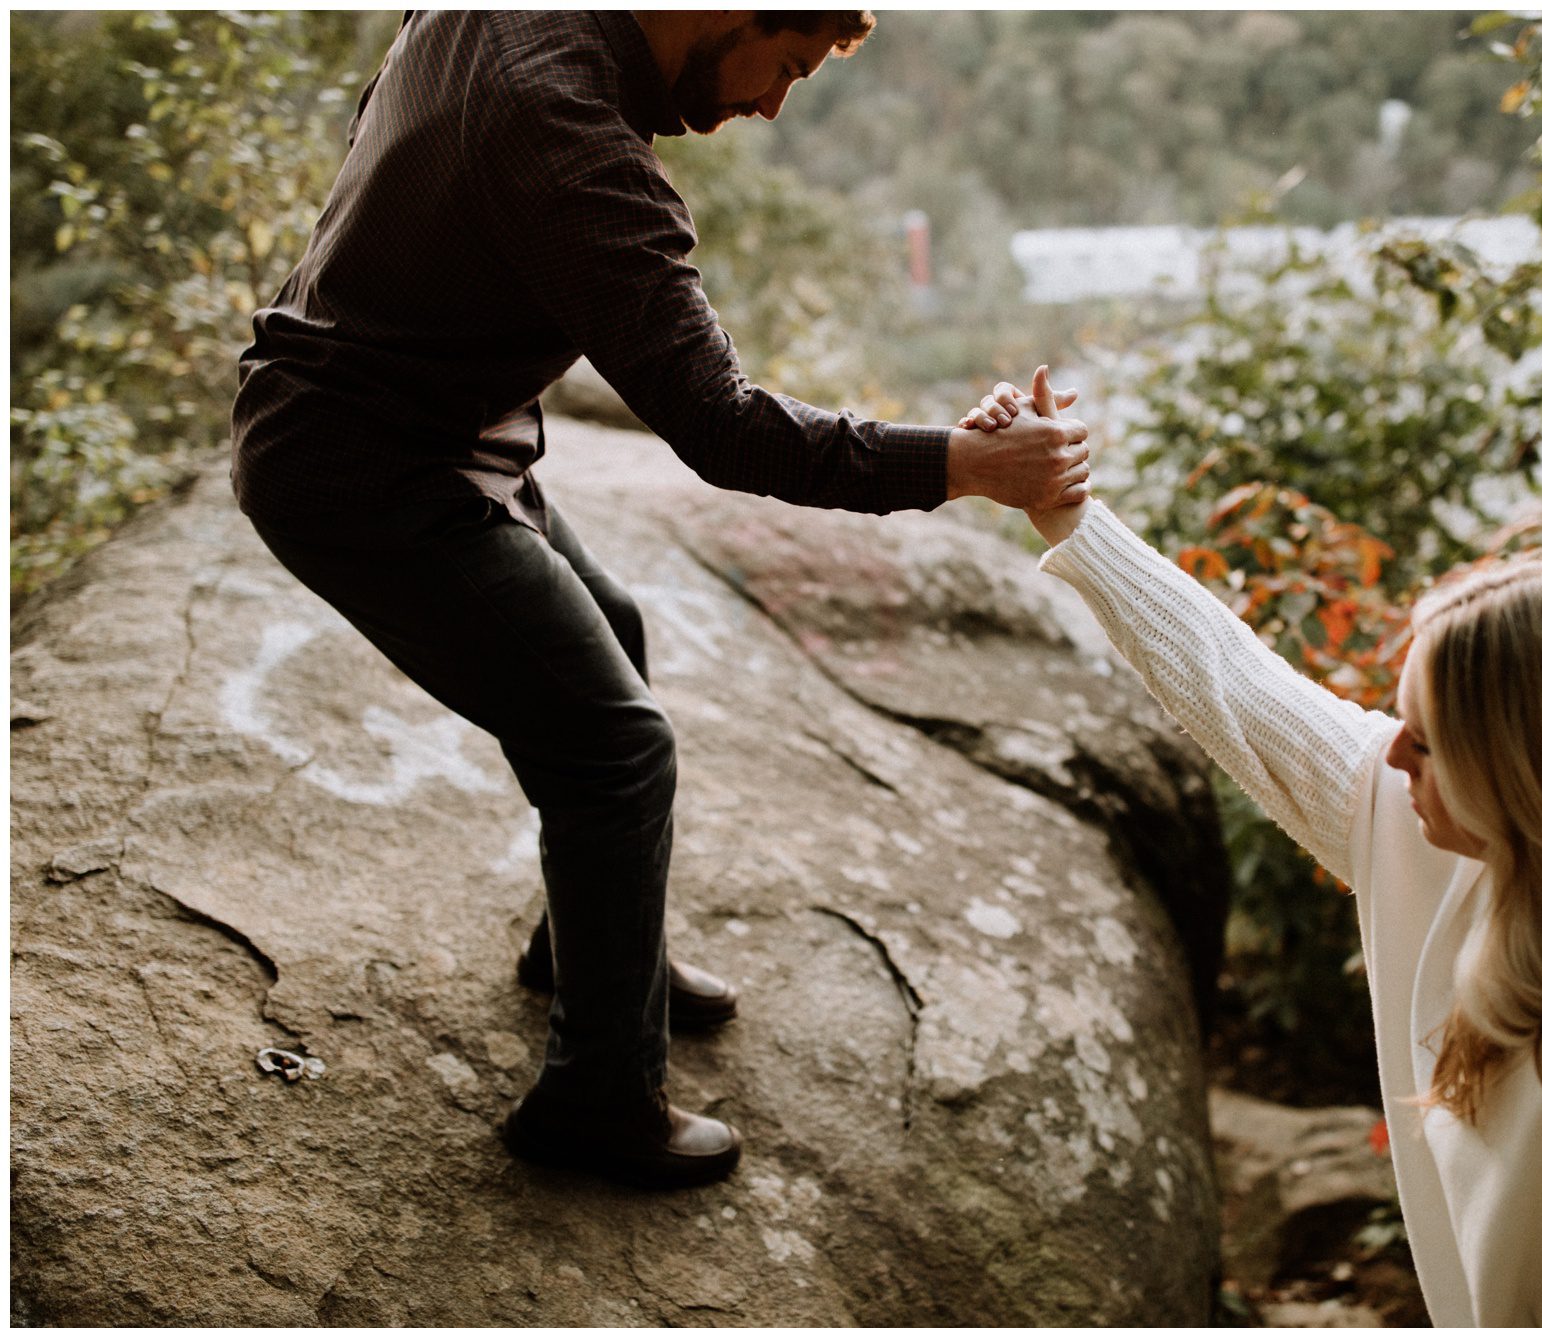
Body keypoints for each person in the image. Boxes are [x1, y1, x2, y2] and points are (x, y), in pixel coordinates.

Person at [229, 11, 1090, 1191]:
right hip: (362, 467)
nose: (771, 103)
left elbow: (393, 145)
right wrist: (959, 464)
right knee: (616, 748)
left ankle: (589, 953)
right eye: (782, 65)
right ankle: (597, 1096)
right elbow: (722, 425)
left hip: (421, 429)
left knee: (612, 640)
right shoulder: (565, 130)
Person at [961, 371, 1542, 1326]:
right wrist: (1064, 510)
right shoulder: (1464, 838)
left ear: (1529, 773)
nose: (1388, 753)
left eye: (1428, 738)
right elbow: (1237, 689)